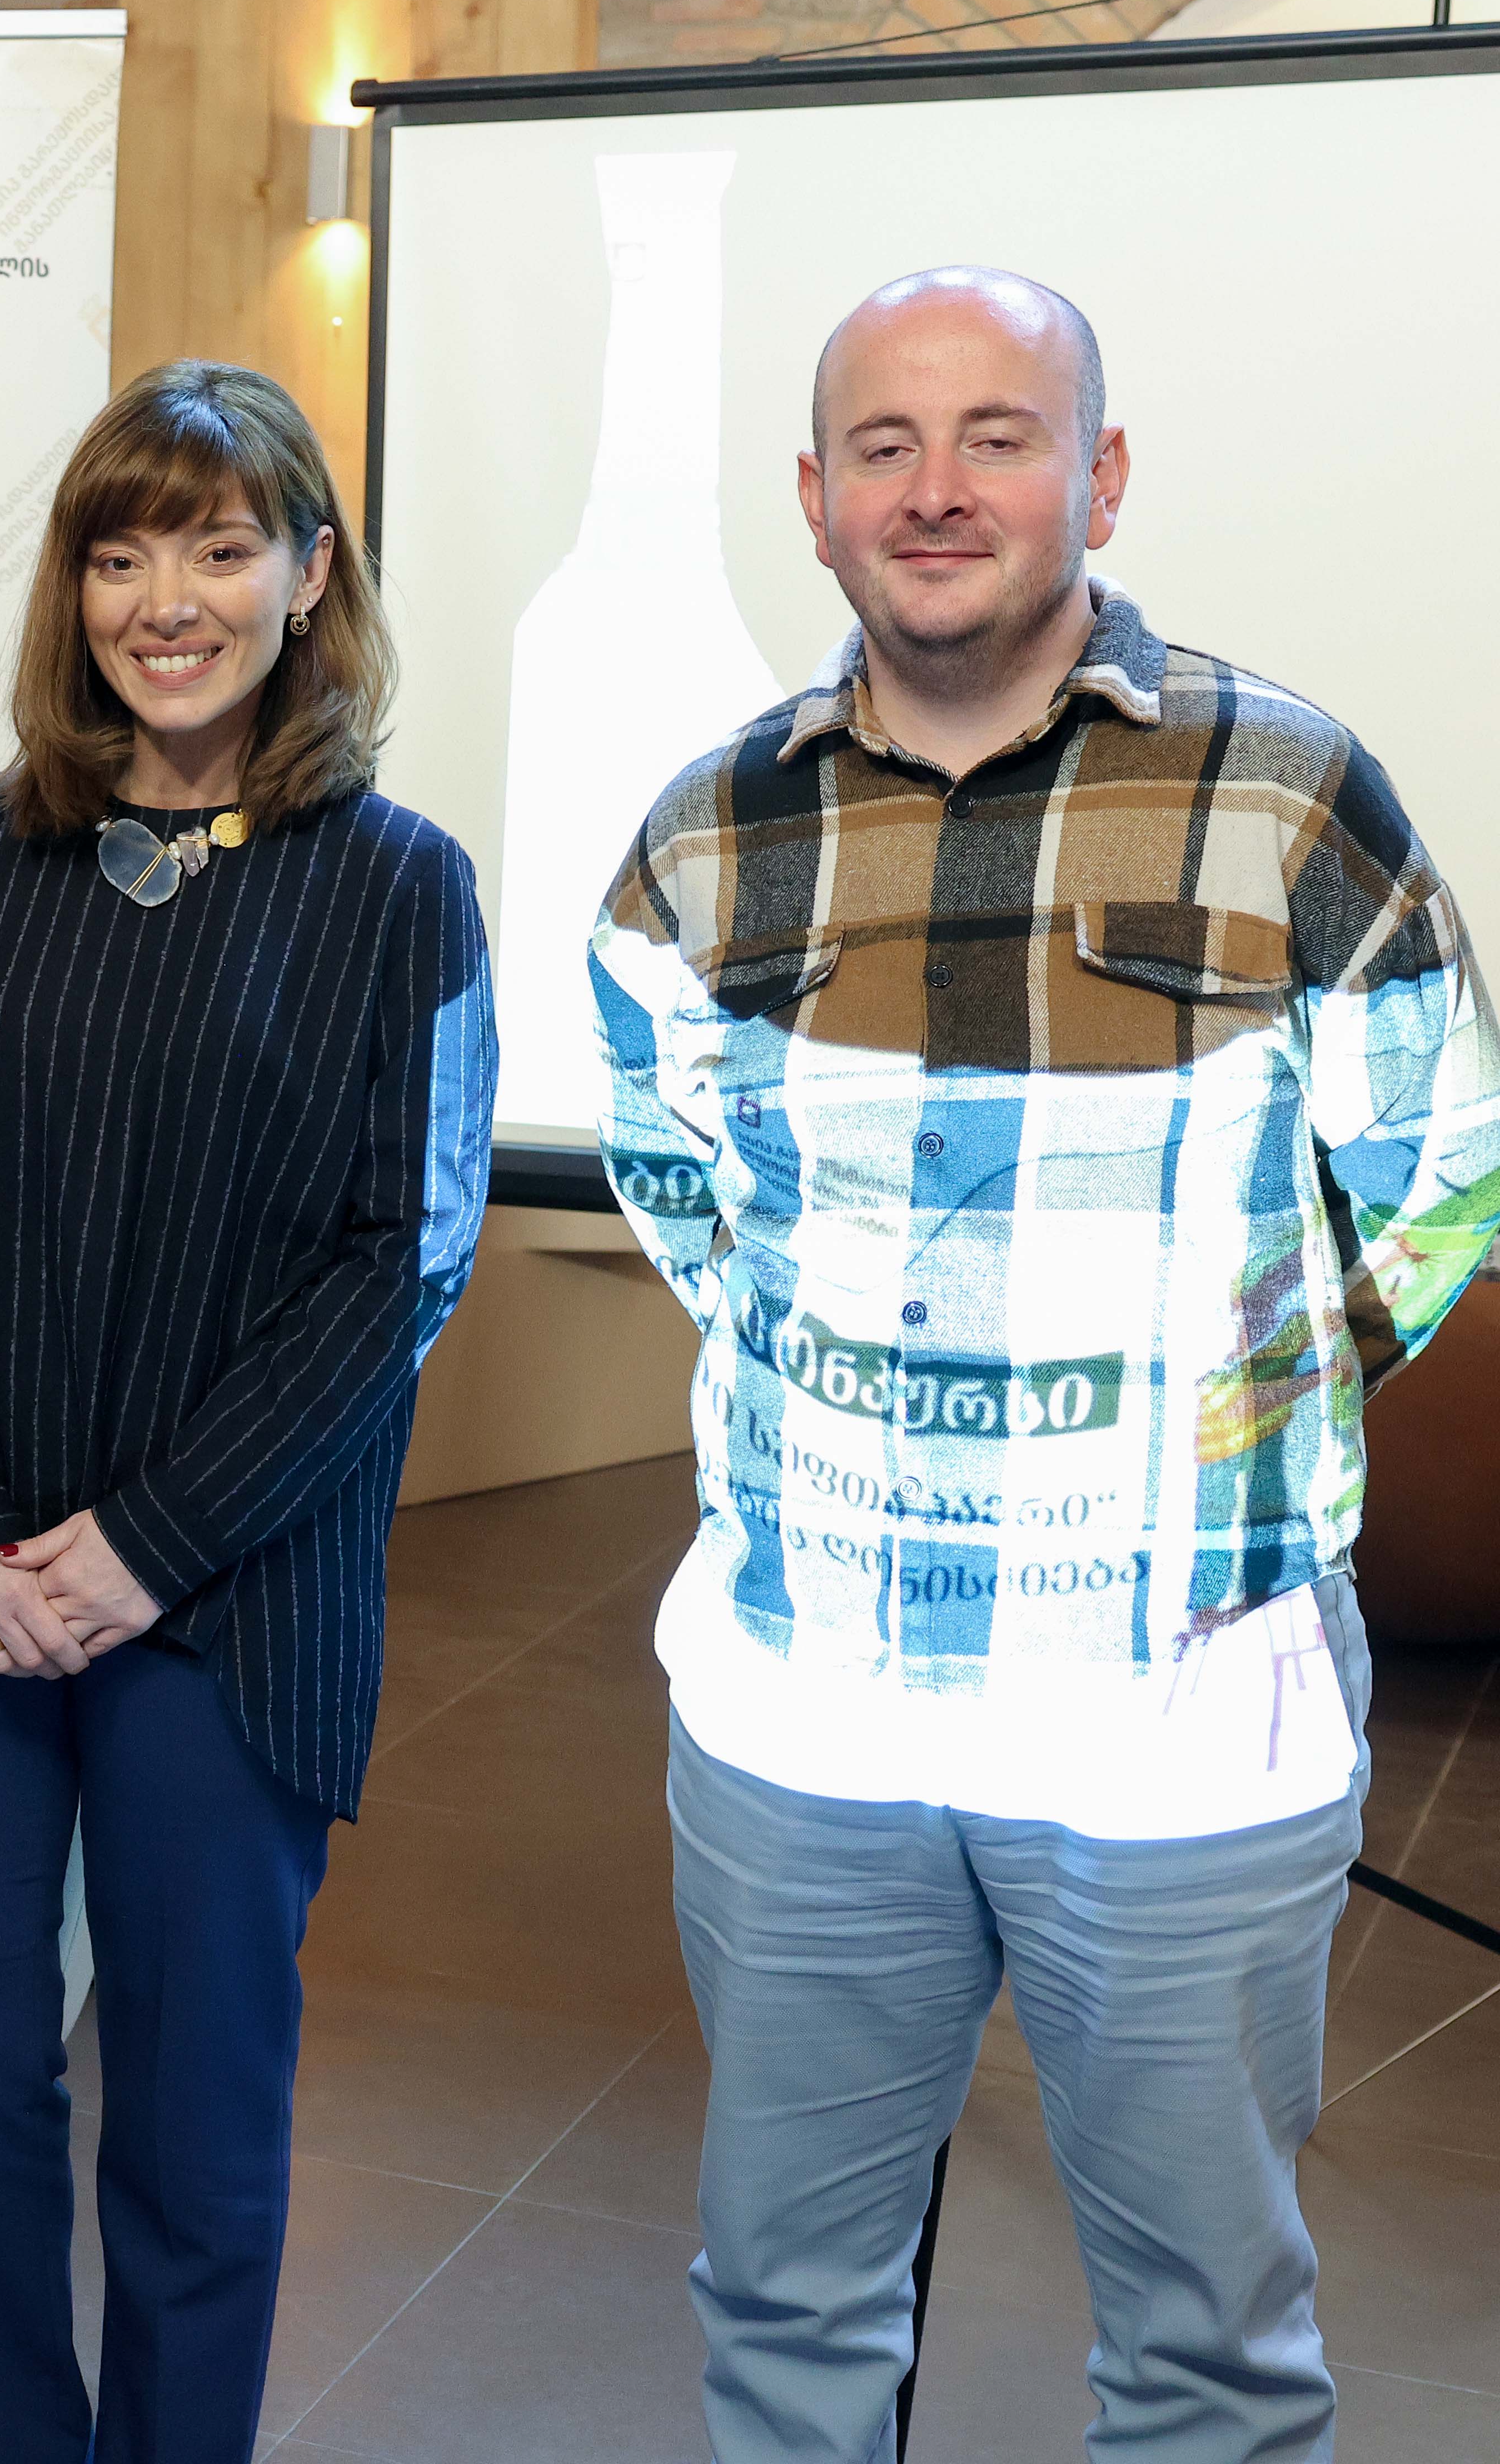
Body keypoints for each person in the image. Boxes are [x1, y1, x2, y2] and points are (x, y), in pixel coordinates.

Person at [591, 268, 1500, 2464]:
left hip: (1181, 1724)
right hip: (806, 1714)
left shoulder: (1293, 798)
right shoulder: (708, 836)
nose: (938, 488)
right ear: (814, 500)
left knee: (1209, 2355)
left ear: (1099, 478)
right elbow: (683, 1193)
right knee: (788, 2311)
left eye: (997, 435)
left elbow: (1440, 1181)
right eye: (884, 445)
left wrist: (1222, 1426)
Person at [0, 361, 494, 2463]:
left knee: (195, 2126)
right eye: (120, 553)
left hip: (233, 1594)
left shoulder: (402, 884)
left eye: (219, 546)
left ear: (311, 574)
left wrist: (142, 1549)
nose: (166, 600)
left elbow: (407, 1261)